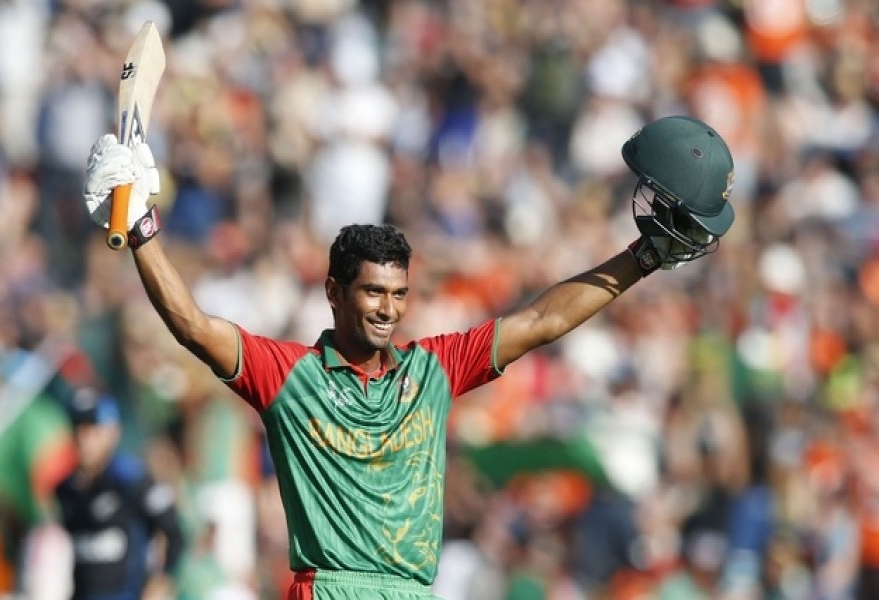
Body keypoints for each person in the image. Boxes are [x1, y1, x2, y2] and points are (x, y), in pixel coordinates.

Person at [81, 114, 735, 599]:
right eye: (372, 292)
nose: (388, 310)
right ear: (333, 292)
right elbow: (191, 325)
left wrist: (643, 257)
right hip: (329, 589)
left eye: (398, 295)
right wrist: (142, 231)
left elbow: (543, 320)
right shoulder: (288, 376)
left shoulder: (432, 370)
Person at [54, 387, 185, 600]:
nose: (84, 439)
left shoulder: (132, 481)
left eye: (92, 430)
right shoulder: (65, 490)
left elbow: (175, 532)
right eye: (78, 428)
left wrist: (163, 581)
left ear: (112, 432)